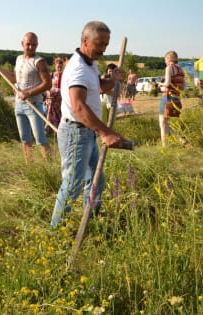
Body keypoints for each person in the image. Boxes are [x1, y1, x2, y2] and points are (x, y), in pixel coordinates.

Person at [49, 21, 125, 227]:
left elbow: (99, 87)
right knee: (73, 185)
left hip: (87, 131)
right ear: (85, 41)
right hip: (76, 132)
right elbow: (79, 107)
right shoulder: (78, 68)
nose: (103, 49)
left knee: (97, 180)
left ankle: (89, 221)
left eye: (106, 44)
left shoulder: (90, 64)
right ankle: (55, 232)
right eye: (99, 44)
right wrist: (105, 132)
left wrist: (114, 79)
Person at [0, 32, 52, 161]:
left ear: (37, 45)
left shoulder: (39, 62)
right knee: (25, 139)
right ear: (22, 44)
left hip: (33, 105)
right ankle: (30, 166)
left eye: (34, 45)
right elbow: (13, 78)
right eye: (28, 44)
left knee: (40, 138)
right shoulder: (18, 59)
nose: (30, 47)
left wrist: (27, 93)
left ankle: (51, 166)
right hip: (19, 105)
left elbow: (47, 84)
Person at [157, 50, 185, 147]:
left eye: (165, 59)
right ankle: (181, 140)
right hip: (177, 98)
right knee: (166, 123)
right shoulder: (181, 70)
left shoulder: (169, 68)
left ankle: (164, 147)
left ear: (169, 58)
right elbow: (183, 86)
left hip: (167, 97)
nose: (165, 61)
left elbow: (167, 83)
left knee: (162, 123)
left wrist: (161, 84)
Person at [44, 57, 64, 135]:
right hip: (51, 96)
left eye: (60, 66)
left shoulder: (65, 75)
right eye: (58, 66)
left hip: (61, 97)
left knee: (59, 113)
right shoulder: (51, 75)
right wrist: (48, 93)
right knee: (50, 110)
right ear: (55, 66)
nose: (59, 68)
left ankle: (58, 129)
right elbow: (46, 86)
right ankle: (48, 127)